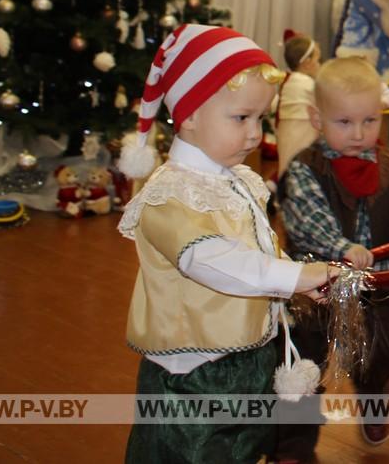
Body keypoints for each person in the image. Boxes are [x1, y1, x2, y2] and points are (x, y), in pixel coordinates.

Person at [115, 24, 335, 464]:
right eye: (241, 118)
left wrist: (292, 275)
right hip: (194, 371)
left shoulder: (236, 181)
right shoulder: (169, 193)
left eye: (261, 118)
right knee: (195, 452)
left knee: (242, 448)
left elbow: (256, 253)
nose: (255, 134)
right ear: (190, 113)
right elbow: (211, 259)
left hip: (249, 355)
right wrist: (291, 276)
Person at [279, 56, 389, 454]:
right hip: (317, 288)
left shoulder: (388, 164)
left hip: (376, 284)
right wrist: (342, 248)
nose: (358, 134)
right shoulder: (305, 169)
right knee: (303, 364)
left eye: (370, 121)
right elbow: (306, 218)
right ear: (318, 120)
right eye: (344, 122)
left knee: (383, 351)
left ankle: (374, 402)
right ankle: (294, 444)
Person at [273, 29, 321, 177]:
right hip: (303, 133)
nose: (319, 64)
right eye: (318, 60)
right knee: (303, 167)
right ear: (307, 63)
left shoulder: (288, 81)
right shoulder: (306, 83)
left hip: (287, 133)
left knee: (287, 165)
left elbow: (275, 104)